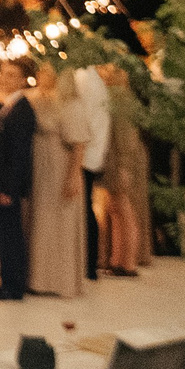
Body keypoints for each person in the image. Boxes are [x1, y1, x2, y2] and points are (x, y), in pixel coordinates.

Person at [27, 61, 92, 296]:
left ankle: (58, 281)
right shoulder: (37, 98)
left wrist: (73, 176)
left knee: (57, 223)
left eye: (45, 71)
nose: (40, 75)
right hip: (41, 168)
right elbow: (7, 96)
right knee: (41, 223)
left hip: (60, 169)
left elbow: (79, 144)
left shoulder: (70, 103)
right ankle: (38, 279)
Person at [0, 65, 37, 301]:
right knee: (3, 233)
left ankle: (13, 286)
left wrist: (9, 188)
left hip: (9, 185)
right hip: (1, 182)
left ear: (24, 80)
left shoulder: (22, 110)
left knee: (11, 234)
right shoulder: (9, 105)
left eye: (12, 75)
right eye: (4, 74)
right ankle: (5, 279)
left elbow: (19, 154)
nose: (6, 79)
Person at [98, 63, 153, 275]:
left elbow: (125, 135)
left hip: (121, 158)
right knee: (116, 208)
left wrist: (124, 166)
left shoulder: (118, 98)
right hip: (121, 157)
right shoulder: (123, 97)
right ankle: (118, 259)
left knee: (123, 208)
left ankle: (127, 261)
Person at [73, 54, 111, 278]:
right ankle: (90, 263)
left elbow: (82, 118)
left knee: (84, 210)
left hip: (84, 153)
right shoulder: (96, 82)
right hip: (93, 151)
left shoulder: (84, 78)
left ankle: (88, 263)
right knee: (87, 207)